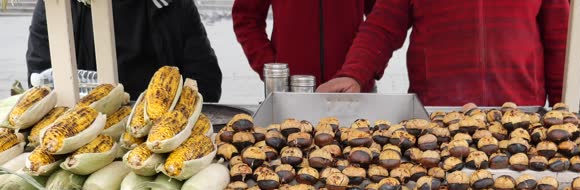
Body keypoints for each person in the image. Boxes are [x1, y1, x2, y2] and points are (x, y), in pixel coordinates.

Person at [316, 0, 570, 107]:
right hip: (438, 119)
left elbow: (561, 40)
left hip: (520, 118)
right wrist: (354, 74)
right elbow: (383, 25)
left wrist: (564, 107)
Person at [26, 0, 223, 101]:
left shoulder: (174, 6)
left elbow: (206, 82)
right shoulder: (59, 7)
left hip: (157, 128)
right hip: (84, 127)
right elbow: (41, 81)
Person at [232, 0, 376, 89]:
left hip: (354, 90)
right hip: (289, 94)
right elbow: (246, 17)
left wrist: (361, 71)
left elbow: (381, 18)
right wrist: (274, 71)